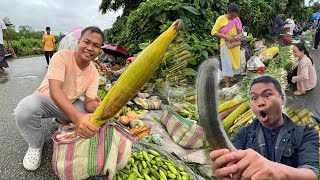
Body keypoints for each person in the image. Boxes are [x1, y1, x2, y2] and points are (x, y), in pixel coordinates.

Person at [13, 26, 104, 171]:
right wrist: (78, 118)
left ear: (100, 50)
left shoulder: (94, 73)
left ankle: (62, 120)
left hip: (70, 104)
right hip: (45, 100)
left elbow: (88, 104)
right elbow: (55, 91)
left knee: (92, 118)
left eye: (96, 46)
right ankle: (35, 145)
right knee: (24, 110)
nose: (90, 48)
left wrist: (98, 106)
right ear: (79, 42)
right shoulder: (61, 56)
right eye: (86, 42)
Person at [210, 76, 318, 180]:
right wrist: (226, 171)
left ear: (282, 99)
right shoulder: (243, 134)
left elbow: (311, 174)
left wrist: (276, 171)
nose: (260, 103)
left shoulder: (305, 133)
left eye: (267, 95)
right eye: (254, 98)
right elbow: (231, 166)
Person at [211, 3, 243, 87]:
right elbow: (213, 32)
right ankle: (227, 83)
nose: (233, 17)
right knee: (226, 63)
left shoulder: (237, 19)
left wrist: (240, 35)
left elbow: (241, 31)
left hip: (235, 45)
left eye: (235, 16)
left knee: (235, 62)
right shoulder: (221, 19)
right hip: (226, 45)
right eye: (232, 15)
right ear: (228, 12)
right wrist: (225, 36)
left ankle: (232, 78)